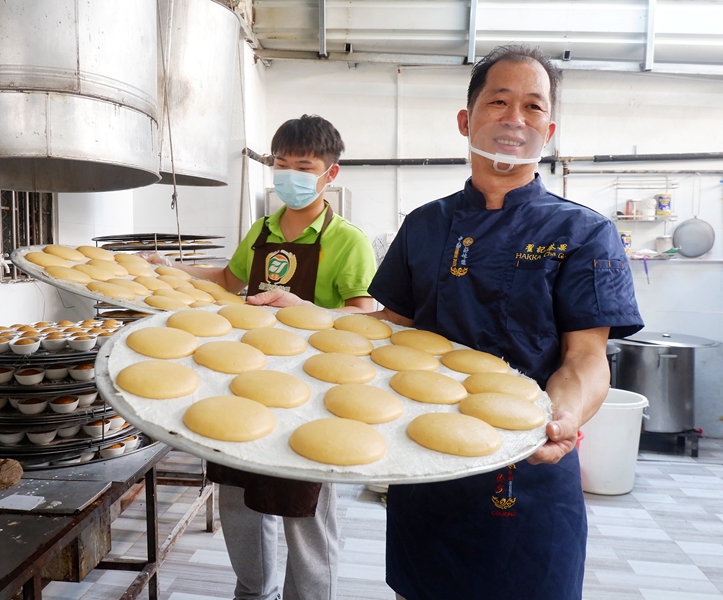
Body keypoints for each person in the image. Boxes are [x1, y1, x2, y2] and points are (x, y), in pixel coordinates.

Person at [249, 45, 643, 599]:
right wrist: (311, 315)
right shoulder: (425, 225)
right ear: (466, 119)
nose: (514, 119)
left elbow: (585, 358)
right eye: (498, 101)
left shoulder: (583, 233)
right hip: (425, 461)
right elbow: (387, 327)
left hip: (525, 468)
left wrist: (564, 415)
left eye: (533, 107)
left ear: (548, 129)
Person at [145, 114, 376, 600]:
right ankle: (253, 592)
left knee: (306, 511)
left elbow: (364, 316)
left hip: (314, 393)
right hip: (246, 381)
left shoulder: (347, 240)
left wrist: (304, 309)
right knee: (240, 500)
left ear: (329, 174)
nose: (289, 174)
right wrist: (172, 268)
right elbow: (230, 282)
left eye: (303, 166)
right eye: (282, 164)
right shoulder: (263, 229)